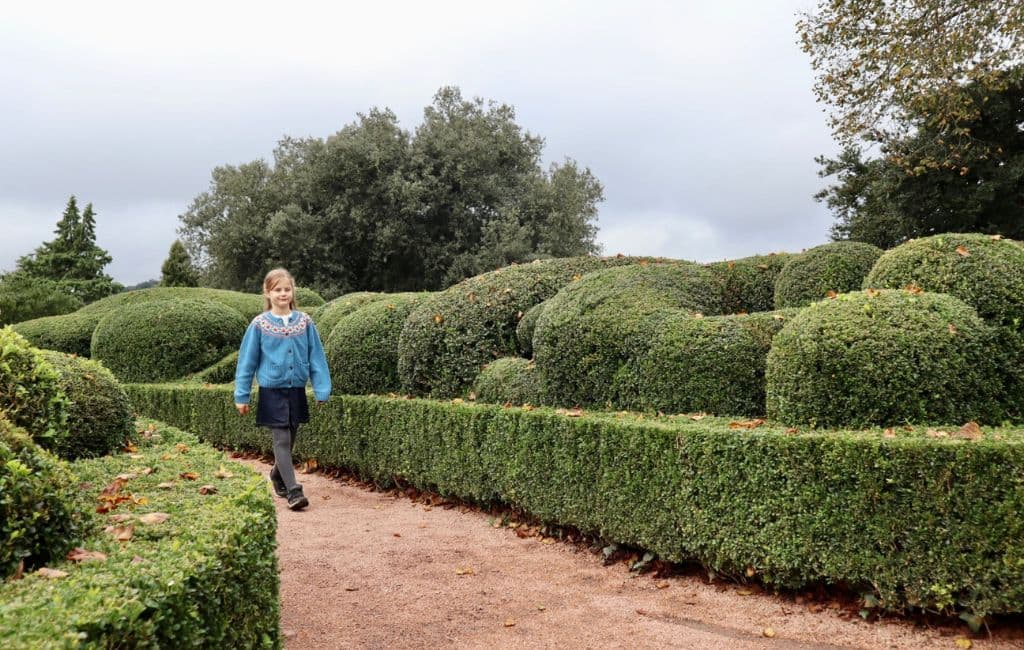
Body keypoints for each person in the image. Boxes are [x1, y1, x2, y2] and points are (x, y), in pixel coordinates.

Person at [234, 268, 331, 510]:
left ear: (292, 291)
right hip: (271, 391)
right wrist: (241, 395)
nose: (283, 293)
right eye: (278, 290)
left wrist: (322, 389)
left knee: (292, 438)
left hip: (296, 390)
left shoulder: (305, 322)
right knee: (282, 441)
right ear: (268, 292)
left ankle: (278, 475)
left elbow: (316, 357)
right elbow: (247, 361)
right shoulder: (259, 324)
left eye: (287, 289)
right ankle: (294, 492)